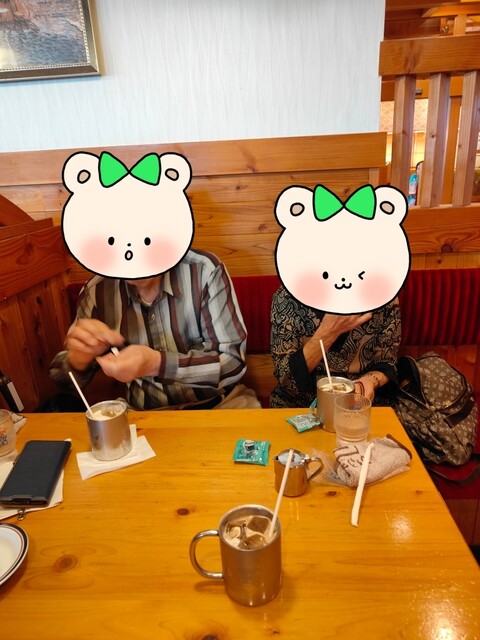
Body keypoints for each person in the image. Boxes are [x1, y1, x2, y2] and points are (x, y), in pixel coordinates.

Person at [50, 249, 259, 410]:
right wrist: (78, 360)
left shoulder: (204, 270)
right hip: (142, 414)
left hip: (221, 404)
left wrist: (157, 364)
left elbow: (233, 363)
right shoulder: (97, 291)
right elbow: (62, 379)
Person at [269, 285, 401, 409]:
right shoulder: (289, 294)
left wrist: (371, 380)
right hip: (299, 405)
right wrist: (328, 332)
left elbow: (386, 362)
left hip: (363, 404)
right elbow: (286, 378)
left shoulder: (383, 296)